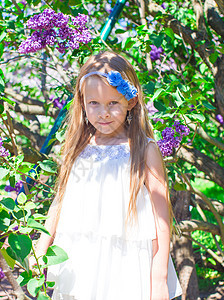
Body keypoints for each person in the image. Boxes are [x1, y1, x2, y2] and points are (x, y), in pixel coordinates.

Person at [31, 51, 182, 300]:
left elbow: (161, 221)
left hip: (127, 265)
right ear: (82, 102)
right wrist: (40, 248)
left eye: (113, 103)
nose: (103, 113)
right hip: (80, 262)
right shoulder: (77, 147)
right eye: (94, 104)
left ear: (130, 101)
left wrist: (159, 278)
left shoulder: (143, 149)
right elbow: (60, 202)